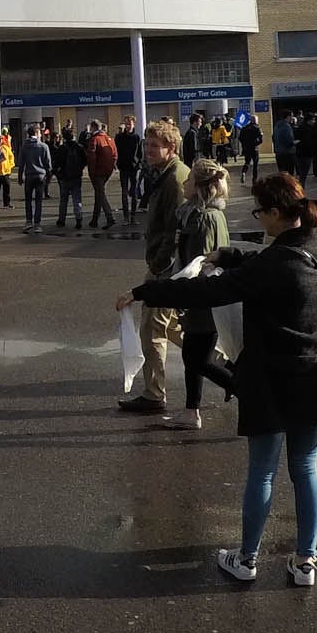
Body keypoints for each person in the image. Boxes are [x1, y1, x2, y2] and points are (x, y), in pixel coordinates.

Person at [124, 173, 317, 586]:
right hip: (315, 374)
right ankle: (306, 561)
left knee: (262, 472)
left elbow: (205, 294)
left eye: (260, 212)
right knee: (306, 467)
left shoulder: (274, 264)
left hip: (269, 380)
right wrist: (229, 256)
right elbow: (260, 260)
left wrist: (144, 292)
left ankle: (247, 558)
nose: (259, 220)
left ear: (276, 213)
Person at [120, 119, 191, 414]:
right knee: (172, 325)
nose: (147, 150)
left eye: (154, 146)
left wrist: (159, 266)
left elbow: (174, 230)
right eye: (146, 144)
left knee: (152, 330)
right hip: (165, 265)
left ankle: (154, 394)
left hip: (166, 267)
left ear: (170, 148)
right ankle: (225, 364)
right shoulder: (167, 173)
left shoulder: (175, 180)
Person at [161, 159, 234, 430]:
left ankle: (239, 385)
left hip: (202, 299)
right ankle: (191, 411)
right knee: (194, 356)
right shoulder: (212, 214)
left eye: (190, 179)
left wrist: (183, 295)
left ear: (200, 187)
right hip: (210, 297)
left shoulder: (201, 217)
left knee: (196, 358)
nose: (184, 182)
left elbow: (197, 263)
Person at [18, 124, 52, 234]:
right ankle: (37, 224)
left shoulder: (24, 147)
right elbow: (48, 164)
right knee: (38, 201)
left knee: (28, 200)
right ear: (37, 134)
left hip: (29, 176)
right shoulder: (43, 146)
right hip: (40, 176)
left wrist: (20, 177)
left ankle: (28, 222)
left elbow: (21, 164)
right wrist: (49, 176)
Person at [86, 121, 118, 229]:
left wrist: (91, 172)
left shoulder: (94, 140)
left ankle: (110, 217)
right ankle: (94, 219)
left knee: (100, 194)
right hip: (107, 171)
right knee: (99, 194)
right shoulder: (109, 139)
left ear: (93, 128)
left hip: (98, 171)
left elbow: (91, 157)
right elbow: (115, 155)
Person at [53, 126, 86, 228]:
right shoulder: (79, 147)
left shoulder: (62, 149)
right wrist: (80, 169)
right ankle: (79, 218)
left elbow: (57, 163)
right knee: (77, 198)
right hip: (76, 177)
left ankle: (61, 220)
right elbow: (85, 160)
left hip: (64, 177)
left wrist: (58, 173)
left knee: (63, 200)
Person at [237, 111, 263, 182]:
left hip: (246, 148)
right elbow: (261, 140)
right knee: (255, 164)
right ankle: (254, 179)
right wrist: (255, 144)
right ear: (256, 121)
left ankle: (243, 172)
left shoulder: (244, 128)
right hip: (254, 149)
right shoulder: (257, 128)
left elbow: (240, 138)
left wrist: (244, 144)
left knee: (247, 162)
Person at [271, 112, 296, 176]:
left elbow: (273, 137)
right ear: (288, 116)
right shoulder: (287, 126)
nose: (292, 118)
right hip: (288, 153)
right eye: (291, 116)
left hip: (279, 153)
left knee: (282, 174)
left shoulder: (276, 125)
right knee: (289, 175)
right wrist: (295, 143)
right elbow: (289, 141)